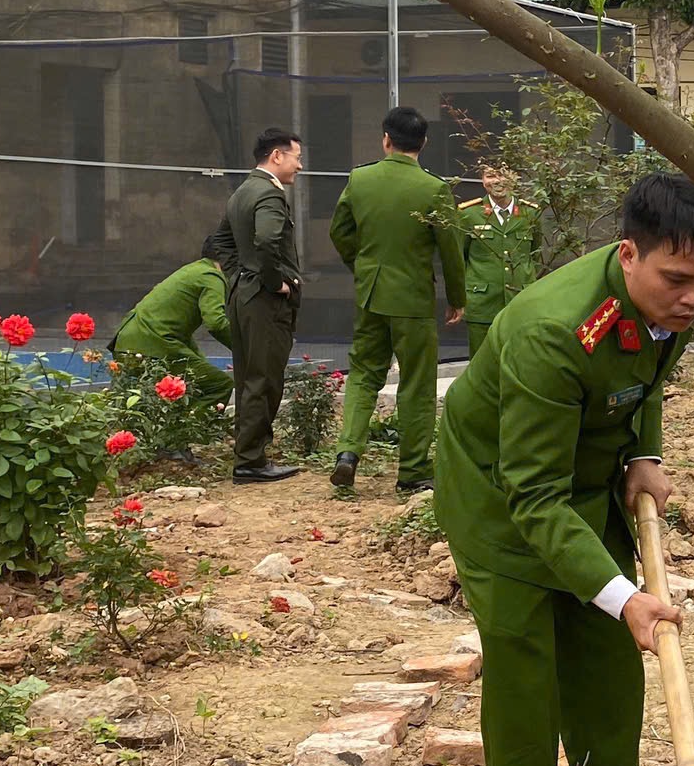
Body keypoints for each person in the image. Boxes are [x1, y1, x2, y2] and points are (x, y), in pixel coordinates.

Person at [433, 172, 694, 766]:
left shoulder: (668, 299)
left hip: (588, 485)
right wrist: (625, 595)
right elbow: (532, 497)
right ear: (628, 255)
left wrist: (645, 452)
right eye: (678, 280)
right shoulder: (553, 331)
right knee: (527, 696)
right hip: (502, 502)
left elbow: (644, 378)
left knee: (606, 681)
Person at [328, 106, 467, 495]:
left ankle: (347, 454)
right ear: (423, 143)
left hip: (370, 294)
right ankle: (412, 471)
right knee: (417, 384)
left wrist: (362, 264)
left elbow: (339, 231)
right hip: (413, 300)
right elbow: (451, 250)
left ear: (385, 139)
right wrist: (457, 297)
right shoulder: (434, 189)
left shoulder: (360, 179)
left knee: (363, 374)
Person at [224, 128, 304, 483]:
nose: (299, 166)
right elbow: (268, 239)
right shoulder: (270, 194)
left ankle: (249, 455)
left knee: (248, 376)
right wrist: (275, 282)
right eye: (296, 158)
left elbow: (220, 243)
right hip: (265, 300)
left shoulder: (242, 190)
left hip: (243, 295)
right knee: (264, 378)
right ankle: (251, 461)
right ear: (276, 156)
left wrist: (237, 277)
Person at [109, 231, 236, 405]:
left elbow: (177, 331)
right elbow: (216, 323)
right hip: (152, 344)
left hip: (128, 342)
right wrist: (245, 352)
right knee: (219, 385)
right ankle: (189, 431)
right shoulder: (212, 277)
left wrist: (203, 364)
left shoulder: (193, 270)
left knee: (185, 388)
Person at [458, 162, 543, 361]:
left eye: (503, 174)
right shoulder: (468, 214)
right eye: (490, 176)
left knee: (520, 360)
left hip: (520, 300)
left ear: (514, 178)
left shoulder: (530, 213)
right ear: (482, 180)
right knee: (481, 363)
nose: (497, 181)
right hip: (482, 303)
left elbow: (535, 255)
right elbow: (460, 258)